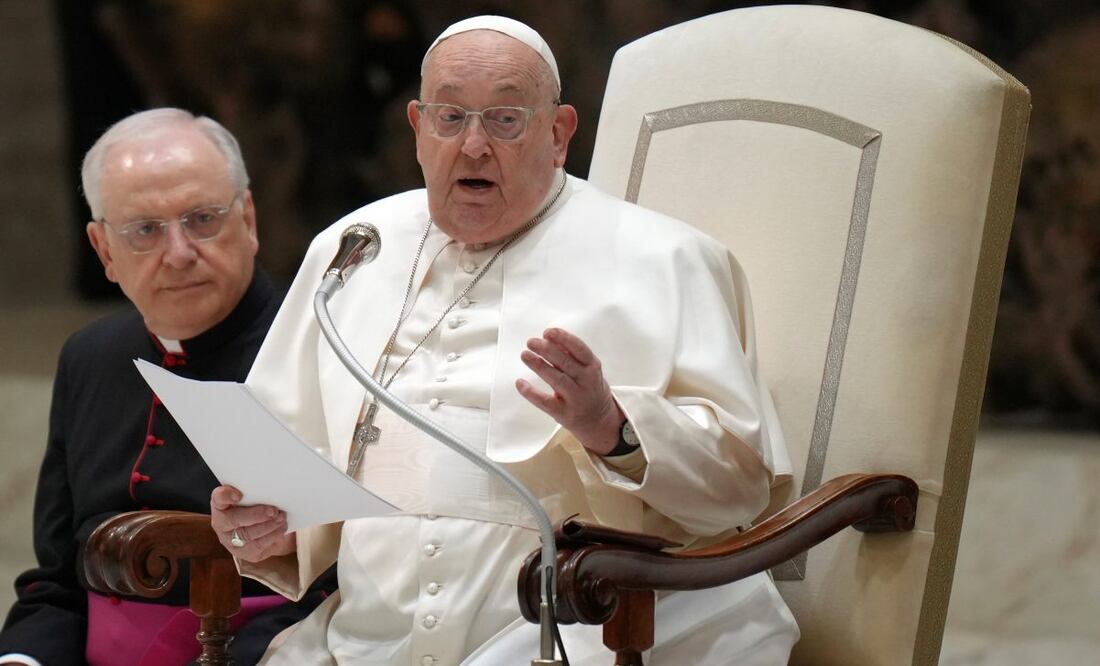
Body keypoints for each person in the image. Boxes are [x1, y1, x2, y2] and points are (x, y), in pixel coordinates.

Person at [212, 16, 800, 665]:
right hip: (363, 641)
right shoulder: (356, 250)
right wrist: (263, 527)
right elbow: (288, 481)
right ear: (416, 128)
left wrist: (613, 428)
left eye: (505, 120)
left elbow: (738, 493)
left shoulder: (665, 259)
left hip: (563, 637)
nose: (472, 146)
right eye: (450, 117)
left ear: (559, 134)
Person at [0, 108, 334, 666]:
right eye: (145, 230)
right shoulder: (89, 357)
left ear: (248, 219)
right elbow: (56, 582)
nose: (179, 253)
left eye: (202, 219)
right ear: (104, 250)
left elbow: (347, 578)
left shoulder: (323, 350)